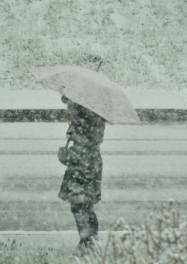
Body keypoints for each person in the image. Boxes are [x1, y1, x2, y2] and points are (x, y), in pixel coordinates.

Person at [57, 95, 105, 254]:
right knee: (82, 204)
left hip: (83, 166)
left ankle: (88, 241)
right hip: (86, 164)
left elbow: (84, 147)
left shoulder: (85, 121)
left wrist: (67, 157)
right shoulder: (87, 119)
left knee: (80, 204)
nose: (66, 110)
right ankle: (89, 240)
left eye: (69, 106)